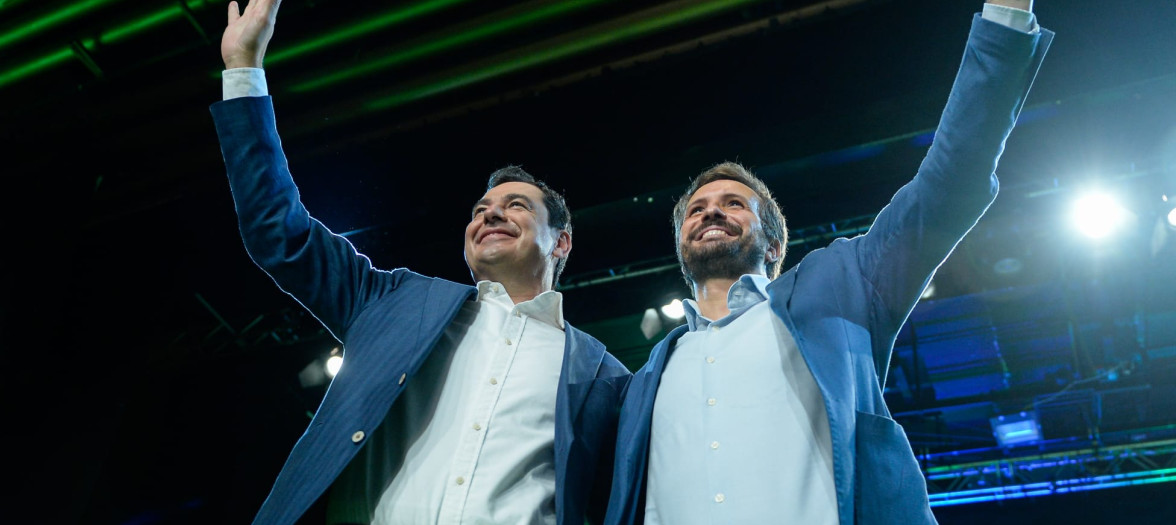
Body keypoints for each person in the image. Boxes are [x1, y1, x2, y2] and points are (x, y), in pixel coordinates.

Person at [606, 2, 1052, 524]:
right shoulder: (643, 380)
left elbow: (948, 183)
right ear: (683, 247)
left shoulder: (842, 283)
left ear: (774, 245)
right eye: (697, 210)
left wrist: (1005, 17)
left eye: (733, 204)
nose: (711, 212)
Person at [210, 1, 630, 524]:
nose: (491, 213)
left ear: (561, 243)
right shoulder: (392, 301)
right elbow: (279, 231)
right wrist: (243, 69)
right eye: (480, 210)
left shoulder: (606, 377)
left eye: (516, 205)